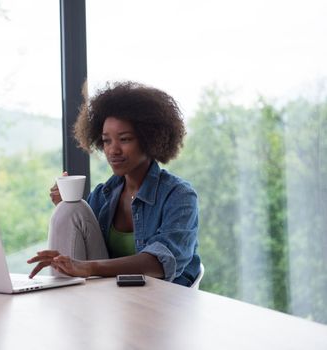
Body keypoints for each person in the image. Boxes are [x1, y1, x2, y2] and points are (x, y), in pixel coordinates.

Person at [27, 81, 201, 287]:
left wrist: (89, 267)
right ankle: (63, 303)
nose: (113, 150)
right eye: (107, 141)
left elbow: (161, 263)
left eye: (124, 139)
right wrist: (66, 204)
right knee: (70, 208)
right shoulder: (104, 194)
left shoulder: (179, 195)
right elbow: (80, 244)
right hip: (110, 298)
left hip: (160, 299)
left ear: (150, 139)